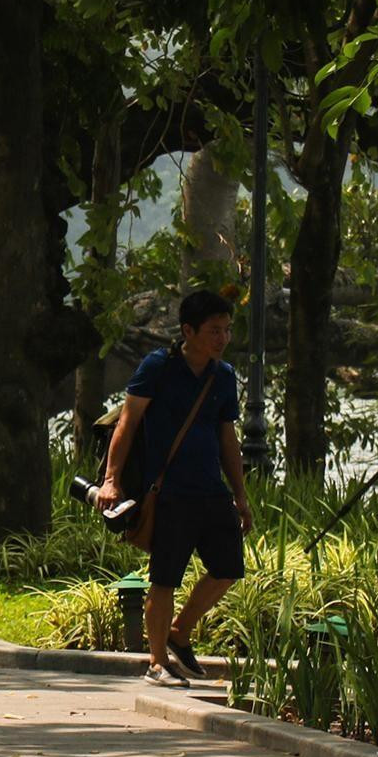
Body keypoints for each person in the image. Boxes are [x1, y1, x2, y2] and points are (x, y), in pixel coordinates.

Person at [97, 288, 253, 687]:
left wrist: (240, 495)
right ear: (189, 330)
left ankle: (179, 633)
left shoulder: (224, 375)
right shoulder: (158, 367)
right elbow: (127, 424)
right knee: (164, 577)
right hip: (167, 491)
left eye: (227, 330)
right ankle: (156, 662)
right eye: (214, 330)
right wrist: (111, 480)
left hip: (211, 489)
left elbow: (227, 438)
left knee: (228, 567)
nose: (223, 338)